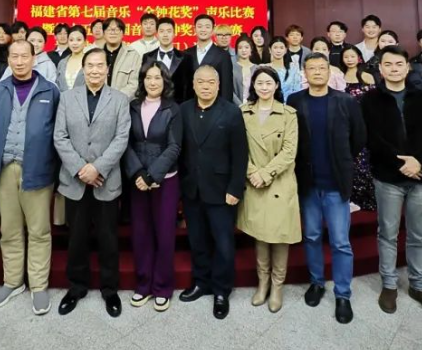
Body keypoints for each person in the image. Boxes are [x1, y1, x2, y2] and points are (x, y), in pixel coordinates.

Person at [361, 45, 422, 320]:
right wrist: (402, 163)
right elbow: (371, 138)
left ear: (407, 67)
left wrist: (419, 162)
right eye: (388, 64)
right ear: (380, 68)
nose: (394, 69)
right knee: (387, 233)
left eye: (399, 64)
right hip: (388, 178)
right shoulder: (369, 100)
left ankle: (419, 286)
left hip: (421, 177)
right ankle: (389, 284)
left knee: (419, 234)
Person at [288, 54, 366, 323]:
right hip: (308, 183)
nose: (318, 72)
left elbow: (359, 136)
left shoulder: (345, 100)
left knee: (340, 242)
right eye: (312, 68)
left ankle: (343, 294)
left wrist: (341, 160)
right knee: (311, 236)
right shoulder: (295, 101)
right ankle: (317, 282)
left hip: (335, 182)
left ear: (329, 71)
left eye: (322, 68)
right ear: (305, 73)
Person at [54, 48, 131, 318]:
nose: (95, 70)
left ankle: (110, 289)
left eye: (100, 65)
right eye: (90, 65)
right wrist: (80, 169)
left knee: (109, 238)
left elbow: (122, 138)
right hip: (74, 180)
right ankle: (76, 286)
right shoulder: (67, 98)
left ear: (107, 69)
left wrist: (97, 168)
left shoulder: (119, 99)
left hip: (106, 180)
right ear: (83, 69)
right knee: (76, 237)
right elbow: (60, 137)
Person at [0, 40, 61, 316]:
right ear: (8, 60)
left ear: (34, 58)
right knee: (9, 230)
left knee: (39, 231)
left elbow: (58, 133)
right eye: (14, 57)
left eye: (24, 56)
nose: (19, 61)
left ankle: (38, 285)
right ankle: (12, 281)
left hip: (38, 169)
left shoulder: (50, 91)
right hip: (4, 168)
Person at [178, 65, 248, 320]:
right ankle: (201, 282)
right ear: (193, 84)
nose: (205, 86)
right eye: (201, 82)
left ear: (218, 85)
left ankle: (221, 290)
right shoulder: (183, 109)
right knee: (197, 240)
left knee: (223, 243)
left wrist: (235, 187)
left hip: (221, 190)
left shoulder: (231, 112)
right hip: (192, 188)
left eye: (210, 82)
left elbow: (240, 153)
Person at [237, 67, 300, 313]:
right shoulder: (243, 112)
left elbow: (289, 151)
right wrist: (252, 172)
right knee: (261, 235)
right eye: (259, 83)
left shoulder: (288, 114)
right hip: (252, 180)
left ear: (276, 86)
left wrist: (265, 174)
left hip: (279, 182)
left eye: (268, 83)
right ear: (253, 86)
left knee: (279, 235)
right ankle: (262, 283)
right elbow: (237, 147)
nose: (264, 87)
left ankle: (277, 286)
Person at [122, 62, 182, 312]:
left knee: (164, 234)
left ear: (165, 81)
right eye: (148, 77)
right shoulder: (133, 107)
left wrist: (152, 175)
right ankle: (143, 284)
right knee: (141, 234)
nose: (153, 82)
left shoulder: (173, 108)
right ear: (142, 80)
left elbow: (174, 146)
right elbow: (125, 142)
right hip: (137, 180)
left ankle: (162, 287)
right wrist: (138, 173)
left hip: (165, 180)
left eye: (158, 77)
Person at [341, 44, 377, 212]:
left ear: (359, 58)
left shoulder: (366, 76)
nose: (349, 60)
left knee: (363, 161)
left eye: (352, 56)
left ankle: (366, 199)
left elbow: (373, 102)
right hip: (344, 123)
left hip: (363, 122)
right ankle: (350, 198)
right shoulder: (339, 76)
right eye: (346, 57)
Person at [142, 17, 195, 104]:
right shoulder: (148, 57)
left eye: (169, 31)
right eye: (162, 31)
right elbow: (143, 82)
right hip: (153, 104)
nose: (165, 35)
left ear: (174, 34)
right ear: (157, 34)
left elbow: (190, 87)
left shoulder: (186, 58)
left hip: (178, 106)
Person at [184, 15, 234, 102]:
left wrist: (224, 108)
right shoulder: (186, 53)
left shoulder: (223, 55)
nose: (203, 30)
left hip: (215, 105)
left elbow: (226, 88)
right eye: (200, 26)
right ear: (194, 29)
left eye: (207, 27)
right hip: (190, 105)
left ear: (213, 29)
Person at [99, 17, 142, 98]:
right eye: (109, 29)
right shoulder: (95, 54)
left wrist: (117, 99)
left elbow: (134, 84)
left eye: (117, 29)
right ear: (104, 33)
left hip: (124, 101)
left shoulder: (133, 55)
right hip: (98, 101)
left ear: (123, 33)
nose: (113, 33)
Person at [213, 24, 243, 103]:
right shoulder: (211, 55)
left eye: (227, 34)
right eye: (220, 35)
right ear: (215, 37)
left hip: (239, 97)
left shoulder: (238, 55)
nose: (224, 38)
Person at [55, 25, 89, 93]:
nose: (75, 43)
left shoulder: (90, 62)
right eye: (71, 40)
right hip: (63, 99)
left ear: (85, 42)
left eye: (79, 40)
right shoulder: (62, 63)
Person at [234, 35, 256, 103]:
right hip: (236, 106)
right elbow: (229, 90)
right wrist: (240, 105)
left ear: (251, 49)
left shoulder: (257, 68)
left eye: (246, 47)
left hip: (254, 105)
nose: (243, 50)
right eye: (240, 48)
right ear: (237, 50)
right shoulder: (231, 67)